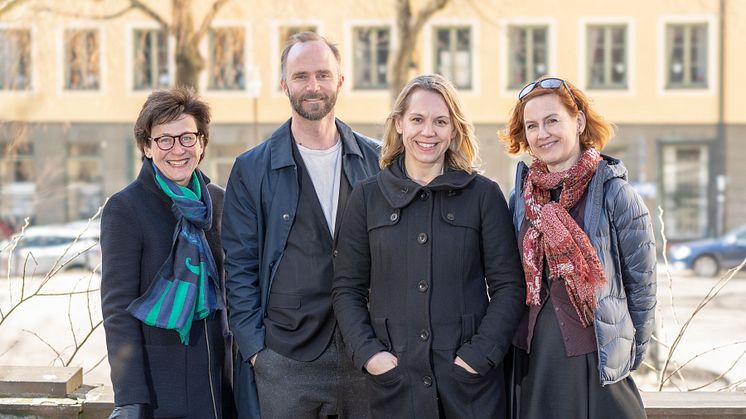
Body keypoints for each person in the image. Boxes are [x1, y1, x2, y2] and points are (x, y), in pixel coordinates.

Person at [332, 74, 526, 419]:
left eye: (441, 121)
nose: (428, 132)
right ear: (400, 125)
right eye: (417, 120)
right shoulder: (366, 197)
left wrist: (477, 356)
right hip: (394, 387)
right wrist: (370, 355)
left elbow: (509, 287)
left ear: (454, 130)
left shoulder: (483, 196)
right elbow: (347, 288)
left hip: (469, 389)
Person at [221, 32, 380, 419]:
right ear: (284, 84)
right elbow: (238, 267)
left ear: (340, 81)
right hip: (285, 360)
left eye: (323, 75)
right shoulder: (251, 169)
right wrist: (258, 352)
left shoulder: (378, 160)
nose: (313, 86)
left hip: (367, 354)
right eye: (301, 76)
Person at [499, 77, 657, 419]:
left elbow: (642, 289)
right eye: (532, 126)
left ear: (579, 121)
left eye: (552, 120)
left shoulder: (616, 194)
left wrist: (623, 357)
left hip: (596, 367)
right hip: (533, 362)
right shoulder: (520, 199)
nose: (543, 133)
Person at [101, 87, 234, 419]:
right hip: (162, 388)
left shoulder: (219, 202)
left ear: (201, 143)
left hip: (220, 381)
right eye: (164, 140)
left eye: (187, 138)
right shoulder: (126, 208)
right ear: (147, 147)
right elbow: (117, 311)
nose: (178, 149)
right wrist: (129, 398)